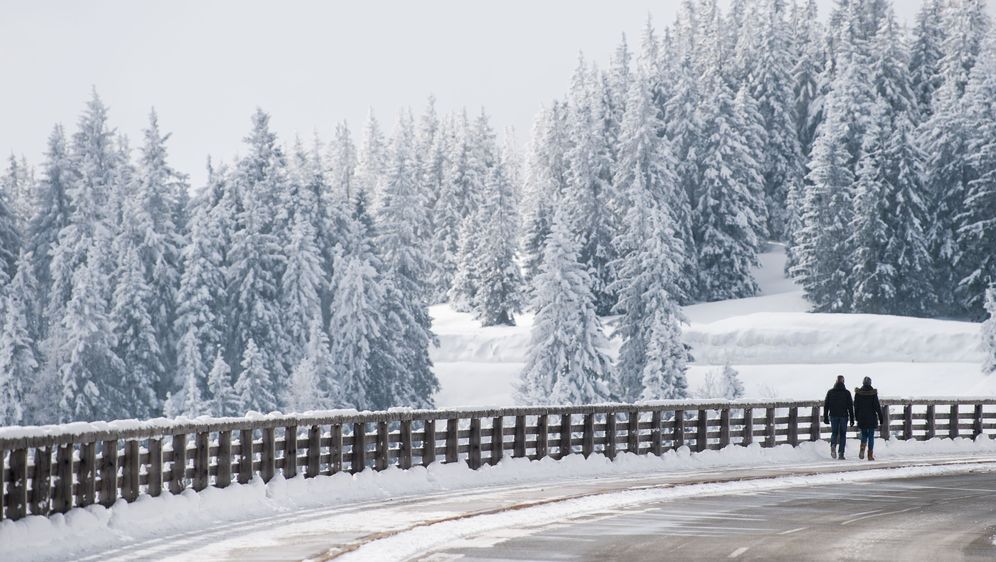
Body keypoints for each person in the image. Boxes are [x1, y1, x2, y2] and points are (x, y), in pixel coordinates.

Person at [823, 375, 854, 459]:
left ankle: (833, 445)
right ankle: (841, 453)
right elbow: (850, 407)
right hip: (844, 416)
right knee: (843, 434)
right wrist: (852, 419)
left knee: (834, 433)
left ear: (836, 381)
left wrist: (825, 417)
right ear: (843, 382)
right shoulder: (847, 393)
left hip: (833, 415)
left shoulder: (830, 392)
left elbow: (826, 405)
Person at [853, 376, 884, 461]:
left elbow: (856, 406)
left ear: (863, 383)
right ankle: (870, 455)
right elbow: (877, 406)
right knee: (871, 436)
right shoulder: (873, 393)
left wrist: (856, 417)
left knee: (864, 435)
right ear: (870, 383)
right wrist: (881, 417)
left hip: (862, 417)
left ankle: (862, 447)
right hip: (871, 418)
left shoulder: (858, 393)